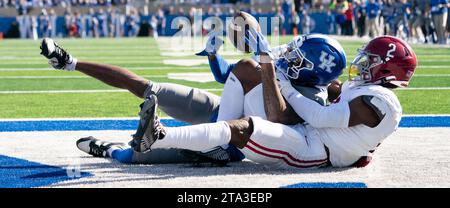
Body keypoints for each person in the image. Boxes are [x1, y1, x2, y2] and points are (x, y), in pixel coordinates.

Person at [39, 31, 345, 165]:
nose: (289, 53)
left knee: (129, 157)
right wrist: (214, 55)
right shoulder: (281, 66)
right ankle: (69, 62)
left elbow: (277, 115)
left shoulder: (311, 99)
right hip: (219, 112)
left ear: (313, 72)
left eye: (298, 55)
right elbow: (229, 74)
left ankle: (107, 149)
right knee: (148, 87)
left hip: (227, 145)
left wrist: (265, 64)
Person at [127, 32, 417, 169]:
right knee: (241, 125)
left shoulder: (382, 102)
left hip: (314, 150)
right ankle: (159, 137)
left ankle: (161, 137)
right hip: (310, 136)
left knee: (246, 126)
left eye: (372, 60)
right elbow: (332, 96)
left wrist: (285, 85)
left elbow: (318, 117)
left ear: (388, 69)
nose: (363, 63)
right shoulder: (364, 92)